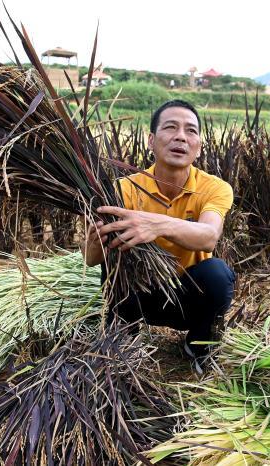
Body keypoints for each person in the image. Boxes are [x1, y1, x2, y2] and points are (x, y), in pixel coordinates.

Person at [82, 100, 235, 368]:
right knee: (114, 260)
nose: (180, 136)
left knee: (217, 274)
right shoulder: (122, 190)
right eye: (171, 127)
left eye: (191, 131)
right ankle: (122, 340)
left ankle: (197, 343)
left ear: (198, 146)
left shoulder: (215, 188)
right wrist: (95, 242)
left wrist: (157, 224)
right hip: (138, 298)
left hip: (188, 297)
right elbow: (91, 260)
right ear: (151, 140)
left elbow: (209, 235)